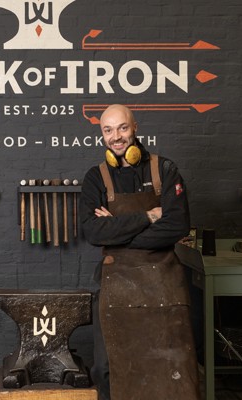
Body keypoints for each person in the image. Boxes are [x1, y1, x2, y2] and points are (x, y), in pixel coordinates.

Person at [80, 104, 200, 400]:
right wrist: (147, 217)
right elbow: (93, 232)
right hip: (115, 282)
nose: (116, 136)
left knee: (174, 366)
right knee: (108, 369)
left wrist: (118, 233)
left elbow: (177, 227)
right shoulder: (96, 178)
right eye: (108, 130)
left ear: (135, 127)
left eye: (122, 128)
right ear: (102, 135)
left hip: (163, 282)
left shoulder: (165, 170)